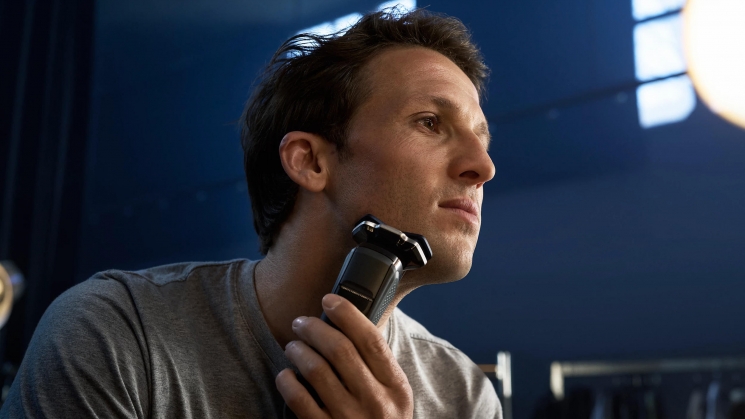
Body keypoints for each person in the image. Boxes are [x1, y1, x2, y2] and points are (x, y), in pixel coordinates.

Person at [1, 7, 500, 419]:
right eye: (430, 122)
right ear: (310, 161)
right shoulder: (116, 335)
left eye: (482, 140)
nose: (484, 167)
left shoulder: (466, 397)